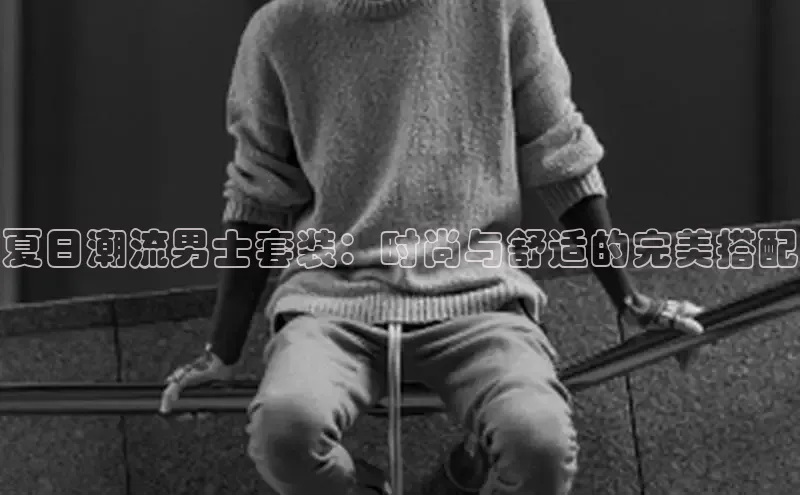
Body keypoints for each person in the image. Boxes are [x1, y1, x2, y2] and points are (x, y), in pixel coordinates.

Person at [159, 1, 706, 494]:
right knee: (284, 434)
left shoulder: (503, 9)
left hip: (478, 297)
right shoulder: (280, 28)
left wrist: (630, 299)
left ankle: (466, 471)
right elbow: (257, 198)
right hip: (332, 301)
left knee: (539, 446)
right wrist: (221, 351)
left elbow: (561, 153)